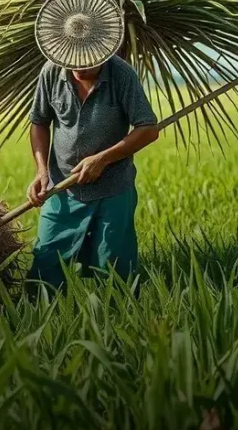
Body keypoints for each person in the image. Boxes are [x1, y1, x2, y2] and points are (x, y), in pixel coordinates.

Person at [26, 53, 159, 294]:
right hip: (62, 189)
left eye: (87, 63)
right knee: (45, 267)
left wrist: (103, 159)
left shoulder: (121, 75)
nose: (78, 68)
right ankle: (41, 312)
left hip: (113, 188)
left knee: (115, 273)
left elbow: (148, 129)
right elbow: (39, 122)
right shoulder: (51, 71)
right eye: (72, 62)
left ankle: (116, 315)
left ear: (102, 54)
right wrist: (42, 171)